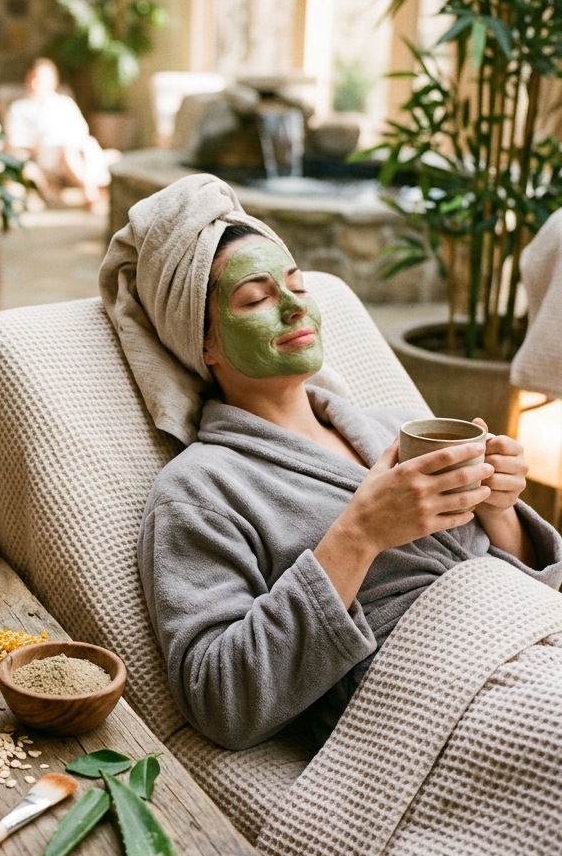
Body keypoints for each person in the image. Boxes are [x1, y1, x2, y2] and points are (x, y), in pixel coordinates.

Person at [112, 175, 562, 751]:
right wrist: (358, 533)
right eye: (256, 297)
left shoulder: (395, 427)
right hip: (438, 704)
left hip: (530, 642)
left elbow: (535, 583)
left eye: (297, 285)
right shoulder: (201, 488)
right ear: (203, 345)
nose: (296, 305)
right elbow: (219, 698)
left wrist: (501, 512)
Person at [5, 57, 111, 209]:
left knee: (78, 148)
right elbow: (16, 143)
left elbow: (81, 130)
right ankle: (91, 193)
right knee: (65, 152)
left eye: (40, 79)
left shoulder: (65, 103)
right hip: (44, 156)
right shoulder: (19, 108)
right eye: (32, 78)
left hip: (74, 151)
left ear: (53, 82)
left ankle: (91, 192)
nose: (35, 83)